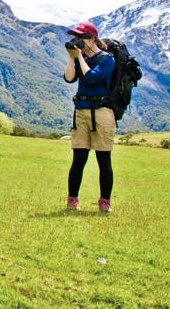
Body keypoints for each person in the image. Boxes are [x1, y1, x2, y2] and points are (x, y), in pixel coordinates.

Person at [63, 22, 115, 212]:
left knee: (103, 159)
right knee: (78, 159)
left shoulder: (107, 59)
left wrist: (80, 58)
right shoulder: (79, 57)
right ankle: (72, 200)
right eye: (76, 38)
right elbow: (69, 78)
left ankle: (104, 202)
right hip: (81, 111)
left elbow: (92, 78)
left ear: (93, 38)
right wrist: (72, 58)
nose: (79, 41)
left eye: (82, 37)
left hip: (101, 112)